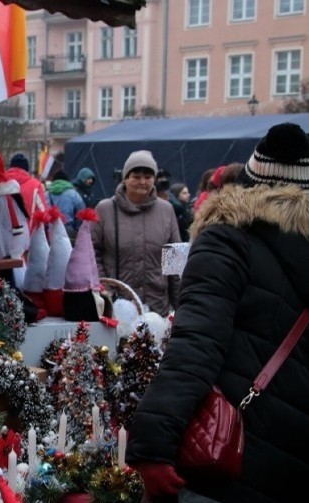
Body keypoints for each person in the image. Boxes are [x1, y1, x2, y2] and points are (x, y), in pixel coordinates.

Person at [127, 122, 309, 503]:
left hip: (235, 453)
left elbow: (195, 344)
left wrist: (153, 441)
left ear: (250, 180)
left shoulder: (228, 239)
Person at [91, 150, 180, 316]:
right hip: (118, 307)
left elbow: (174, 263)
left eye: (148, 177)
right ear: (125, 178)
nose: (142, 182)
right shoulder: (105, 209)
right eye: (136, 176)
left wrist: (180, 306)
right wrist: (105, 288)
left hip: (156, 307)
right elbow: (91, 253)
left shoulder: (166, 210)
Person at [5, 153, 48, 228]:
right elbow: (44, 213)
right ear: (26, 169)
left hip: (2, 235)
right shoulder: (35, 185)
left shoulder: (0, 182)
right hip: (28, 235)